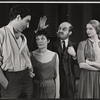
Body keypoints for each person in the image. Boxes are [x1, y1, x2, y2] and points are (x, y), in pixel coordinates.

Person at [0, 5, 34, 98]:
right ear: (18, 17)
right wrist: (6, 84)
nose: (28, 26)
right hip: (10, 81)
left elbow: (27, 57)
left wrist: (29, 73)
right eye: (27, 21)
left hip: (26, 80)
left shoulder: (23, 37)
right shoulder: (1, 34)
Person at [30, 30, 60, 98]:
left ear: (48, 41)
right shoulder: (31, 55)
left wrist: (57, 94)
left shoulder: (54, 55)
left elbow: (57, 76)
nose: (40, 41)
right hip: (35, 88)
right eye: (37, 39)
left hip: (50, 88)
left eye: (42, 38)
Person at [77, 20, 100, 98]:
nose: (87, 31)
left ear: (97, 29)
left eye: (90, 28)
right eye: (86, 29)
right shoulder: (82, 44)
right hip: (88, 77)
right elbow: (81, 64)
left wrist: (91, 63)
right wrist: (98, 69)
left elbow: (87, 63)